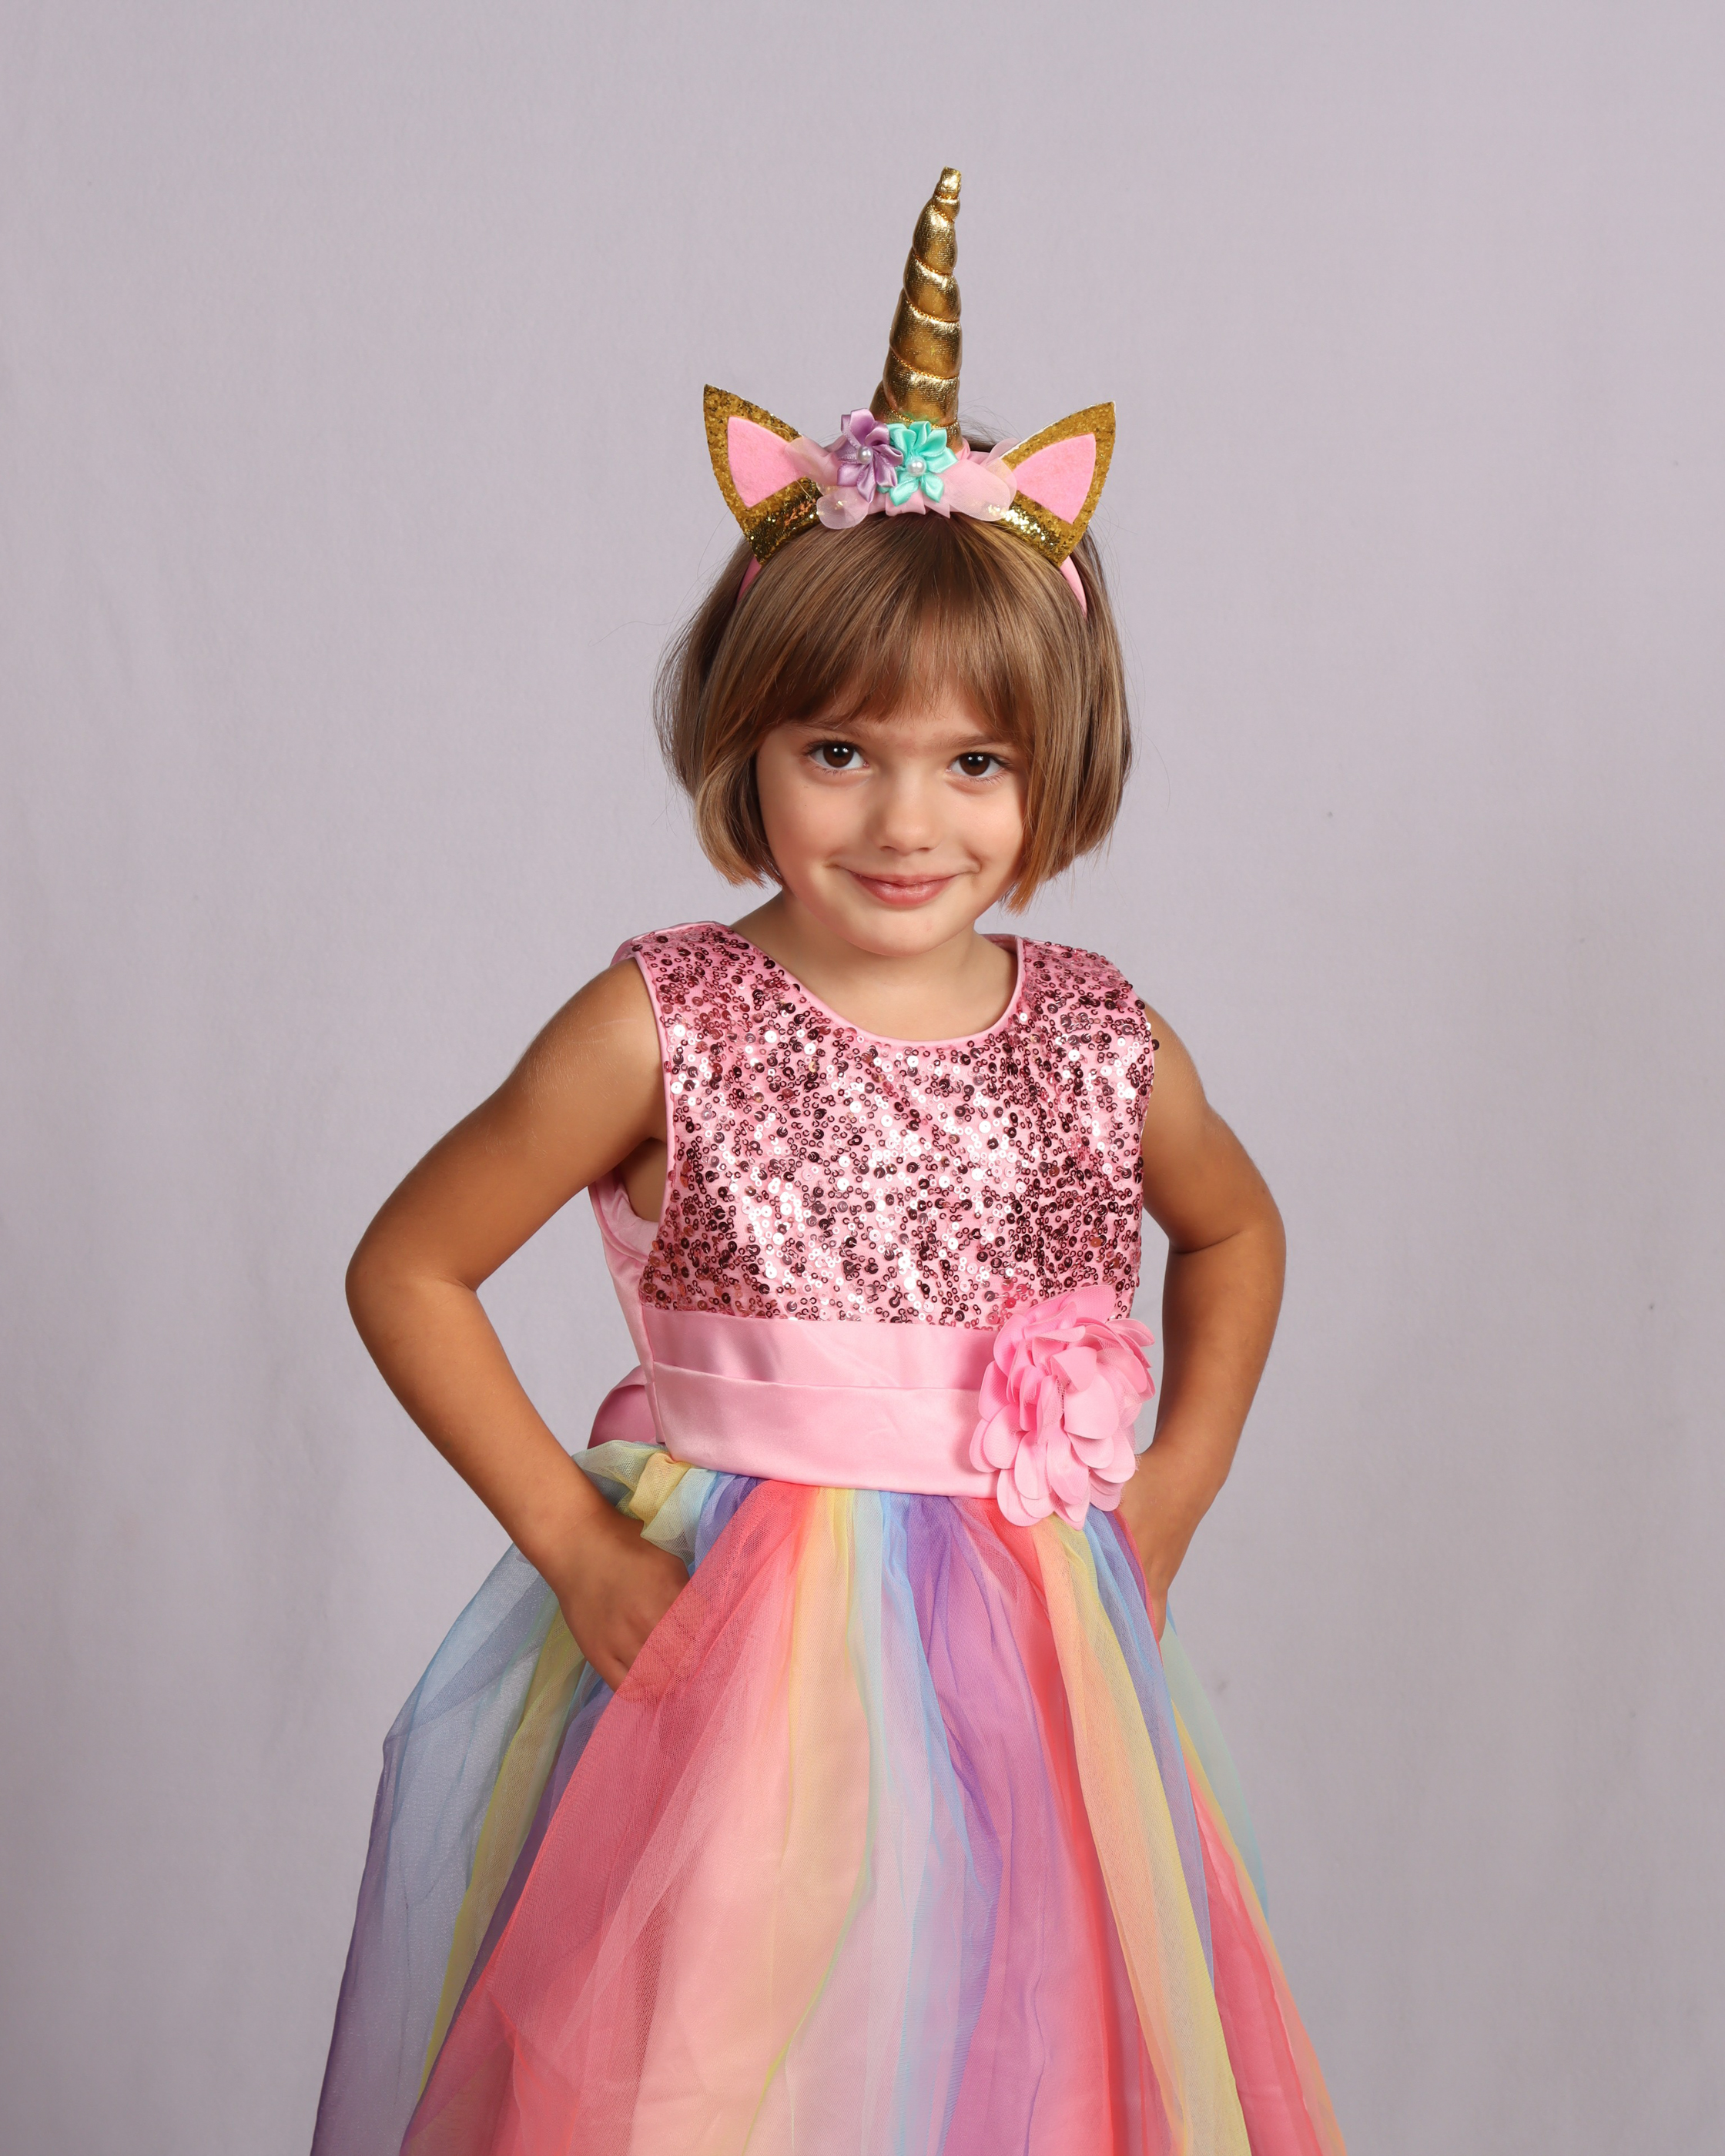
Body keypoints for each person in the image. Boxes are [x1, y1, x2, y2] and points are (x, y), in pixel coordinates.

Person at [312, 169, 1345, 2156]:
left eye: (976, 763)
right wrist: (576, 1546)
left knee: (1020, 2075)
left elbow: (1234, 1228)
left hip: (1028, 1677)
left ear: (1057, 769)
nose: (905, 821)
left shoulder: (1101, 1035)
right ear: (749, 743)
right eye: (840, 751)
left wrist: (1181, 1477)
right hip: (733, 1674)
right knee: (707, 2072)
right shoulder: (665, 1020)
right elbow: (407, 1267)